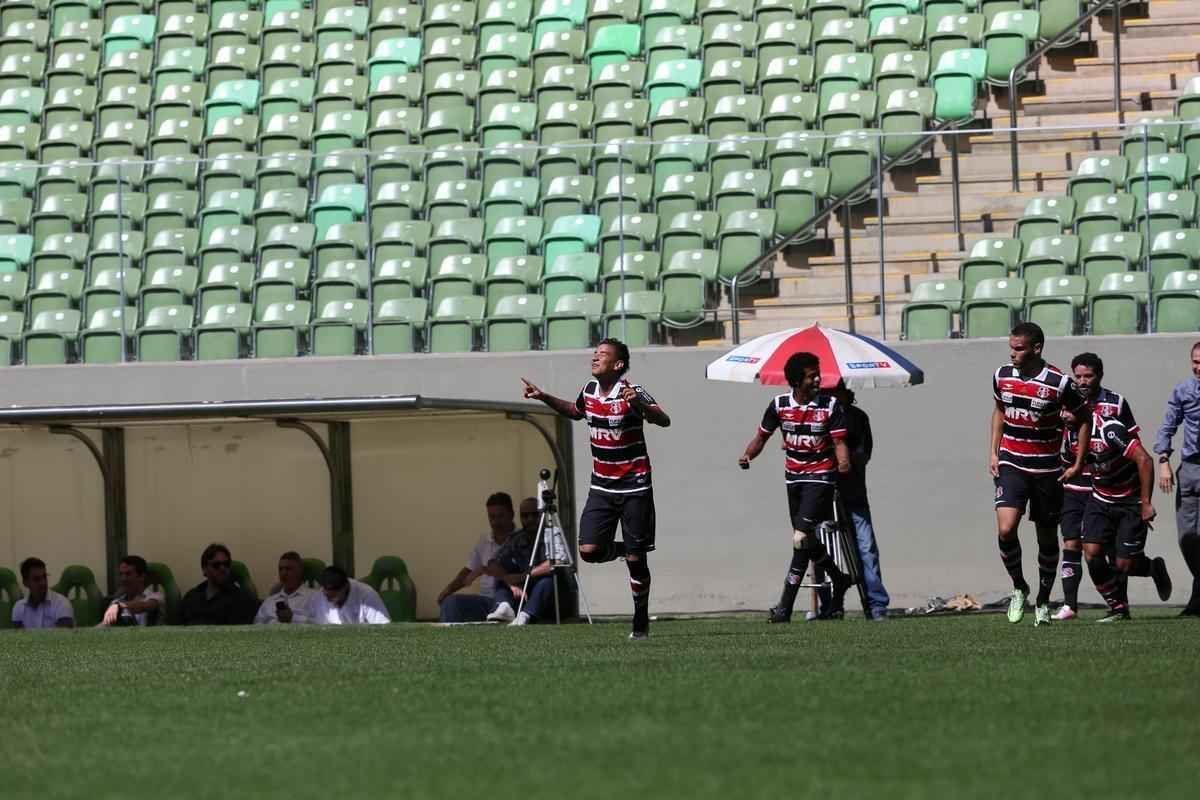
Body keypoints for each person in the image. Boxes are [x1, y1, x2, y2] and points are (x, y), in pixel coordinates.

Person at [521, 338, 671, 640]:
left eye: (602, 354)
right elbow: (575, 411)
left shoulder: (633, 391)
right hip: (602, 487)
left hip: (635, 487)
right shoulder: (589, 391)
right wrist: (543, 397)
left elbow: (663, 419)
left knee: (636, 563)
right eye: (594, 353)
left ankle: (640, 620)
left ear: (617, 365)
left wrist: (638, 404)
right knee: (588, 551)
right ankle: (626, 549)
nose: (595, 357)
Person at [738, 351, 855, 624]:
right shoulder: (778, 405)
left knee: (800, 539)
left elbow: (839, 444)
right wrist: (747, 455)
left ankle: (783, 609)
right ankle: (839, 578)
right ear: (795, 381)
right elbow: (761, 437)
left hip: (821, 478)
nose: (817, 379)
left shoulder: (830, 406)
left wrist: (844, 464)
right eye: (811, 375)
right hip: (794, 479)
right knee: (807, 541)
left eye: (818, 373)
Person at [990, 322, 1090, 626]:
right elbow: (999, 411)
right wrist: (994, 451)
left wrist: (1077, 462)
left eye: (1019, 348)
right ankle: (1019, 586)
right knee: (1006, 529)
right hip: (1012, 463)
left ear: (1036, 348)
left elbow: (1084, 419)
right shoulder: (1001, 376)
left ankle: (1044, 599)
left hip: (1047, 470)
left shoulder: (1059, 382)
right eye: (1011, 347)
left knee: (1047, 539)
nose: (1012, 354)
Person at [1055, 353, 1139, 620]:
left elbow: (1133, 445)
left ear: (1099, 376)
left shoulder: (1115, 403)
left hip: (1105, 485)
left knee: (1113, 553)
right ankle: (1070, 605)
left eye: (1087, 376)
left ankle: (1120, 604)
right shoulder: (1063, 402)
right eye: (1077, 376)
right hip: (1073, 484)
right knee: (1071, 542)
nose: (1082, 381)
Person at [1081, 411, 1172, 621]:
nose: (1065, 415)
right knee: (1092, 552)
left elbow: (1145, 460)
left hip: (1129, 501)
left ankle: (1153, 568)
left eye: (1069, 410)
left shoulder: (1109, 430)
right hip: (1100, 499)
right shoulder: (1069, 432)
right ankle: (1118, 607)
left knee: (1125, 566)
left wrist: (1146, 503)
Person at [831, 381, 890, 621]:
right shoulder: (819, 416)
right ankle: (830, 605)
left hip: (854, 491)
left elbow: (864, 453)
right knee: (827, 552)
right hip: (824, 492)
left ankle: (875, 605)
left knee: (866, 548)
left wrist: (844, 457)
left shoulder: (858, 417)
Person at [1154, 341, 1200, 616]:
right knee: (1188, 538)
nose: (1198, 367)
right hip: (1190, 471)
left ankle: (1197, 601)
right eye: (1195, 361)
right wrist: (1163, 462)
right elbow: (1167, 426)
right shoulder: (1183, 391)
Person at [487, 497, 573, 626]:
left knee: (547, 580)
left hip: (555, 600)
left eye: (534, 515)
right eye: (525, 516)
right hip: (528, 593)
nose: (530, 519)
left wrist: (524, 576)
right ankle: (504, 607)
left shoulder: (552, 533)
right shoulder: (517, 538)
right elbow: (493, 563)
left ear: (542, 515)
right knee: (502, 580)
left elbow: (558, 561)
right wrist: (510, 582)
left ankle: (525, 615)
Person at [437, 492, 519, 623]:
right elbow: (467, 571)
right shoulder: (484, 541)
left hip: (510, 602)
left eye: (500, 516)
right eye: (491, 517)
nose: (496, 522)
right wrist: (446, 592)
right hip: (484, 602)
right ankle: (446, 642)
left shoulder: (522, 540)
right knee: (451, 603)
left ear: (512, 514)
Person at [179, 543, 258, 626]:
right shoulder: (191, 596)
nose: (222, 568)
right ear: (204, 569)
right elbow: (177, 628)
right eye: (216, 565)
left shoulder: (241, 598)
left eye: (226, 564)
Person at [310, 565, 391, 625]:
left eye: (333, 597)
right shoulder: (320, 596)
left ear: (345, 587)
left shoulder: (367, 595)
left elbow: (384, 627)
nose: (331, 601)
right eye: (327, 597)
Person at [255, 551, 319, 625]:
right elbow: (256, 628)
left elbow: (323, 626)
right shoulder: (269, 602)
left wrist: (293, 618)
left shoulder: (315, 598)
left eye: (288, 569)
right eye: (281, 569)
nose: (283, 573)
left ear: (300, 571)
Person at [11, 557, 74, 629]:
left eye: (44, 576)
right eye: (36, 579)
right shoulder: (18, 607)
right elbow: (19, 638)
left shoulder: (62, 603)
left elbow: (64, 637)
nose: (43, 582)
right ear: (25, 583)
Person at [99, 555, 163, 627]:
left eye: (128, 574)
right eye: (121, 574)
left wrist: (120, 605)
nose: (123, 579)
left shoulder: (156, 596)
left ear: (142, 576)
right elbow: (105, 625)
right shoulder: (116, 601)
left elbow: (145, 606)